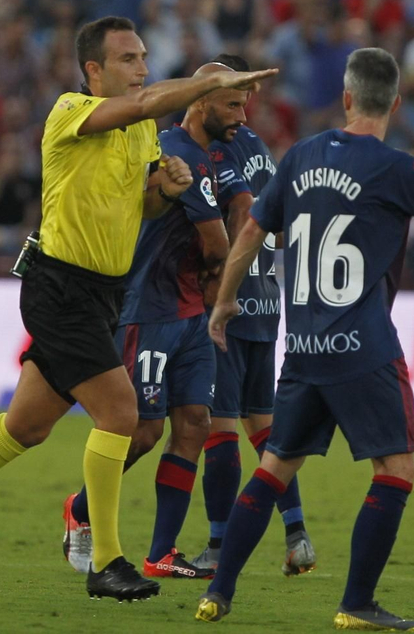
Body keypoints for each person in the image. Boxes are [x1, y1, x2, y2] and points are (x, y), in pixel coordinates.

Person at [0, 16, 275, 601]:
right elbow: (149, 104)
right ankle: (107, 562)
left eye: (143, 58)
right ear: (94, 70)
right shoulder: (69, 111)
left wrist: (164, 191)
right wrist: (206, 82)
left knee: (26, 426)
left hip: (102, 296)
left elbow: (135, 210)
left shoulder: (140, 136)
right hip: (58, 287)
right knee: (122, 412)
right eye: (128, 60)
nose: (141, 69)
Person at [197, 47, 414, 630]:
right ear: (396, 105)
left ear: (347, 98)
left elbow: (252, 227)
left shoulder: (300, 156)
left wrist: (225, 300)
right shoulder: (395, 168)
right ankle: (356, 604)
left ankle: (217, 595)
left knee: (274, 467)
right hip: (363, 348)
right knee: (396, 470)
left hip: (302, 351)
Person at [61, 62, 251, 581]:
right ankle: (79, 509)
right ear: (200, 102)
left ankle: (162, 553)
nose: (242, 115)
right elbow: (215, 242)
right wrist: (225, 280)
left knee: (193, 424)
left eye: (244, 104)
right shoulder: (175, 152)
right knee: (143, 431)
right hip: (149, 309)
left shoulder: (212, 156)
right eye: (231, 104)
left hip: (191, 313)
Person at [191, 54, 315, 578]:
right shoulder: (262, 150)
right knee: (264, 428)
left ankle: (218, 548)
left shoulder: (220, 147)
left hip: (232, 301)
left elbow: (240, 216)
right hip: (267, 303)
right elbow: (283, 231)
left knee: (218, 430)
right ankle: (297, 535)